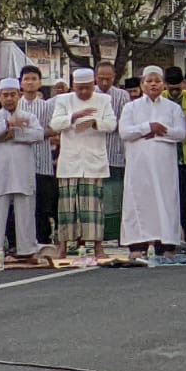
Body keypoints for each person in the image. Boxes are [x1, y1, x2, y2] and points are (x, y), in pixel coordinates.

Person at [49, 67, 117, 259]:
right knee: (67, 206)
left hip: (93, 160)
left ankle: (97, 246)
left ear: (93, 85)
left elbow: (111, 124)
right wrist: (73, 118)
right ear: (73, 86)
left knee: (94, 206)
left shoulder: (104, 100)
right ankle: (63, 246)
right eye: (80, 88)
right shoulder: (64, 100)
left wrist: (95, 123)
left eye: (87, 88)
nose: (84, 92)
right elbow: (54, 124)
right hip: (70, 160)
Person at [118, 66, 186, 256]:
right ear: (142, 84)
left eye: (157, 80)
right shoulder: (130, 107)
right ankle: (137, 245)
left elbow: (180, 133)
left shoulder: (173, 108)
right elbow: (124, 132)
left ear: (163, 84)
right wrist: (148, 127)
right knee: (138, 201)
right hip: (139, 165)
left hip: (165, 165)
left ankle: (166, 245)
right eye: (149, 81)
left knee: (165, 201)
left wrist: (159, 132)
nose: (153, 84)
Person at [0, 78, 45, 266]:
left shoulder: (29, 117)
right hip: (0, 171)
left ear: (19, 96)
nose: (9, 99)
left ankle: (27, 250)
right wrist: (7, 125)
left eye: (13, 95)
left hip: (22, 170)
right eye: (5, 95)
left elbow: (38, 135)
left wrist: (14, 134)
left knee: (25, 211)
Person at [18, 66, 58, 246]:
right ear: (21, 83)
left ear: (40, 83)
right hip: (20, 161)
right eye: (26, 79)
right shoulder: (16, 105)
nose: (30, 82)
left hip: (42, 161)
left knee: (42, 204)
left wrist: (35, 134)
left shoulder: (47, 106)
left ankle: (43, 239)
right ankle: (19, 240)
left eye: (34, 78)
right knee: (20, 204)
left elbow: (54, 129)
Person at [94, 62, 130, 245]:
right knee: (96, 197)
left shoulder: (122, 96)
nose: (104, 82)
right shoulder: (90, 94)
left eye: (108, 78)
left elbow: (123, 123)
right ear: (95, 76)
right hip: (93, 155)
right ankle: (97, 236)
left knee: (115, 196)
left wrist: (101, 123)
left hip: (115, 154)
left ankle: (114, 235)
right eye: (101, 78)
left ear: (114, 77)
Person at [163, 66, 186, 241]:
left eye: (178, 87)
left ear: (183, 84)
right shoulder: (159, 100)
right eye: (171, 87)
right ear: (165, 85)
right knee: (168, 200)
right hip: (166, 158)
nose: (175, 91)